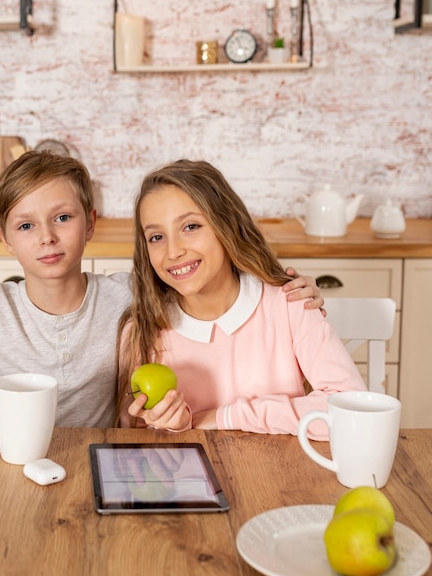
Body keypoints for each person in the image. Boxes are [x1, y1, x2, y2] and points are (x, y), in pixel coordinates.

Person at [0, 151, 325, 488]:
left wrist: (283, 287)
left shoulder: (133, 295)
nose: (46, 237)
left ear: (91, 223)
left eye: (62, 217)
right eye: (25, 226)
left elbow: (202, 274)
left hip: (104, 473)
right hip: (10, 478)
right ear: (5, 239)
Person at [117, 159, 367, 439]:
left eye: (190, 226)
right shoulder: (142, 331)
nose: (173, 251)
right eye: (156, 237)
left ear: (227, 225)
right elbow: (140, 443)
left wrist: (226, 416)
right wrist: (175, 424)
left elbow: (351, 411)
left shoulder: (290, 302)